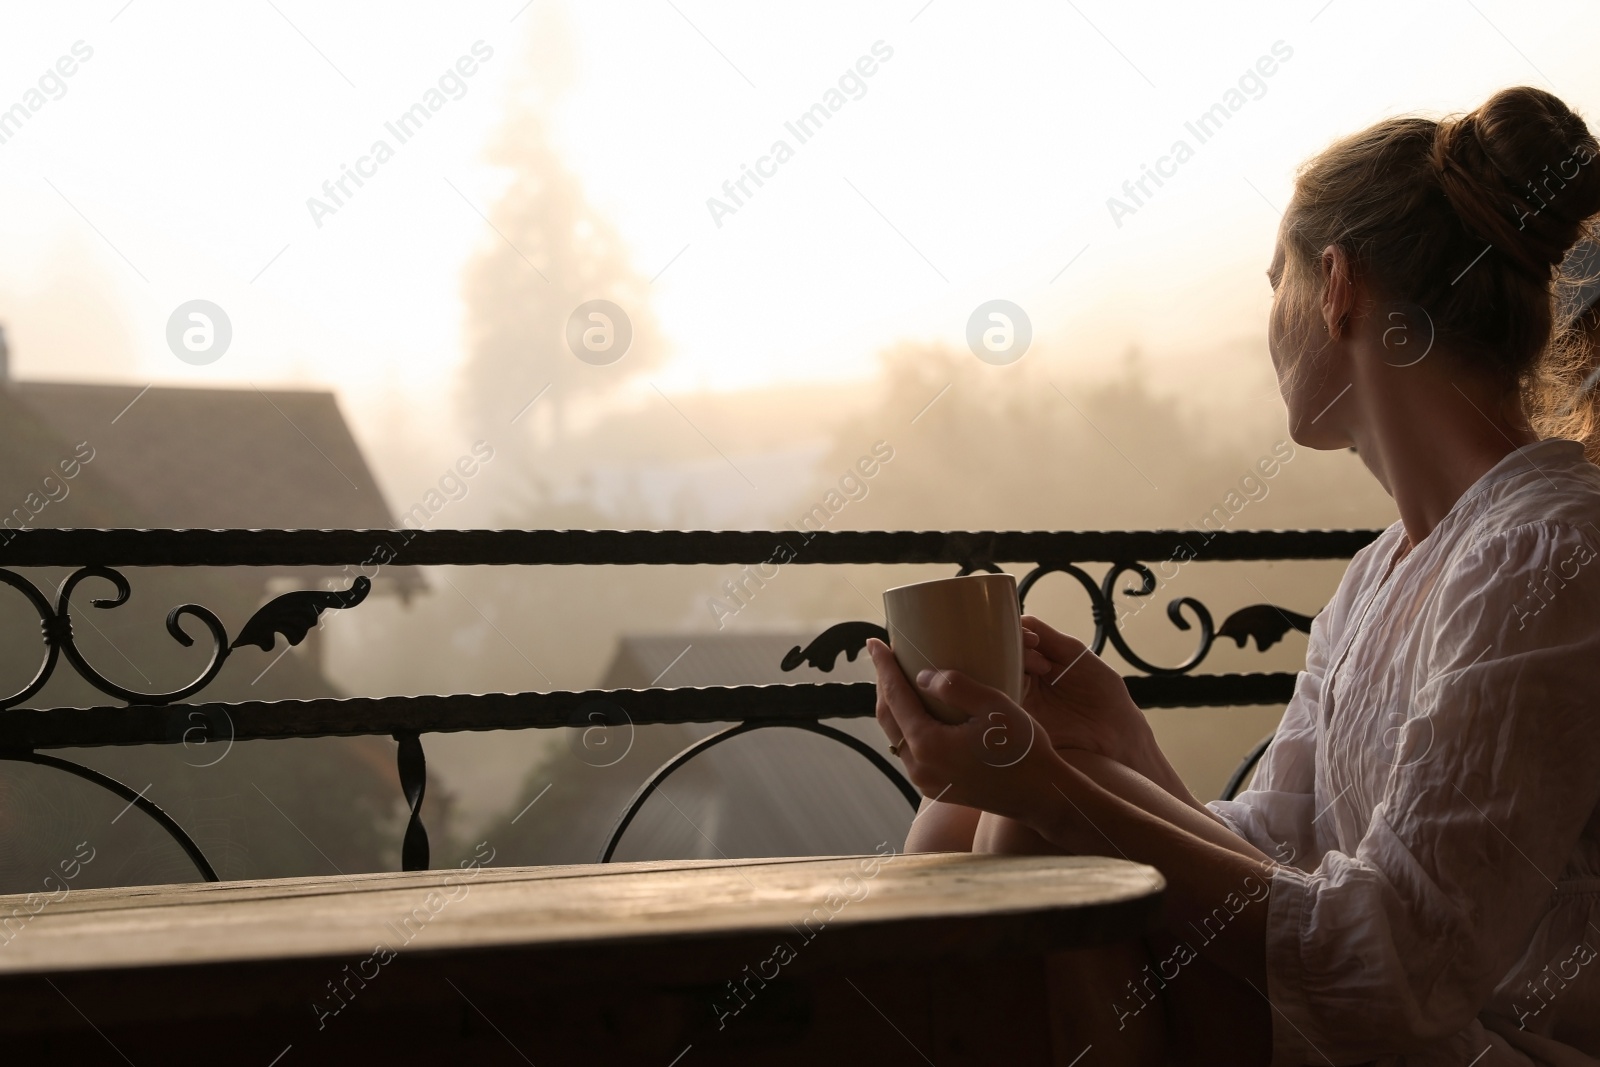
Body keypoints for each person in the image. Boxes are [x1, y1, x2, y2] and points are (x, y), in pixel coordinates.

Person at [870, 85, 1600, 1066]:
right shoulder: (1382, 573)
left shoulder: (1548, 554)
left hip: (1475, 1043)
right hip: (1384, 1022)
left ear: (1336, 285)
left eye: (1273, 281)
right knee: (977, 803)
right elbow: (1283, 862)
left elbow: (1395, 974)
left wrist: (1054, 790)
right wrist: (1118, 742)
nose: (1268, 322)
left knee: (1035, 833)